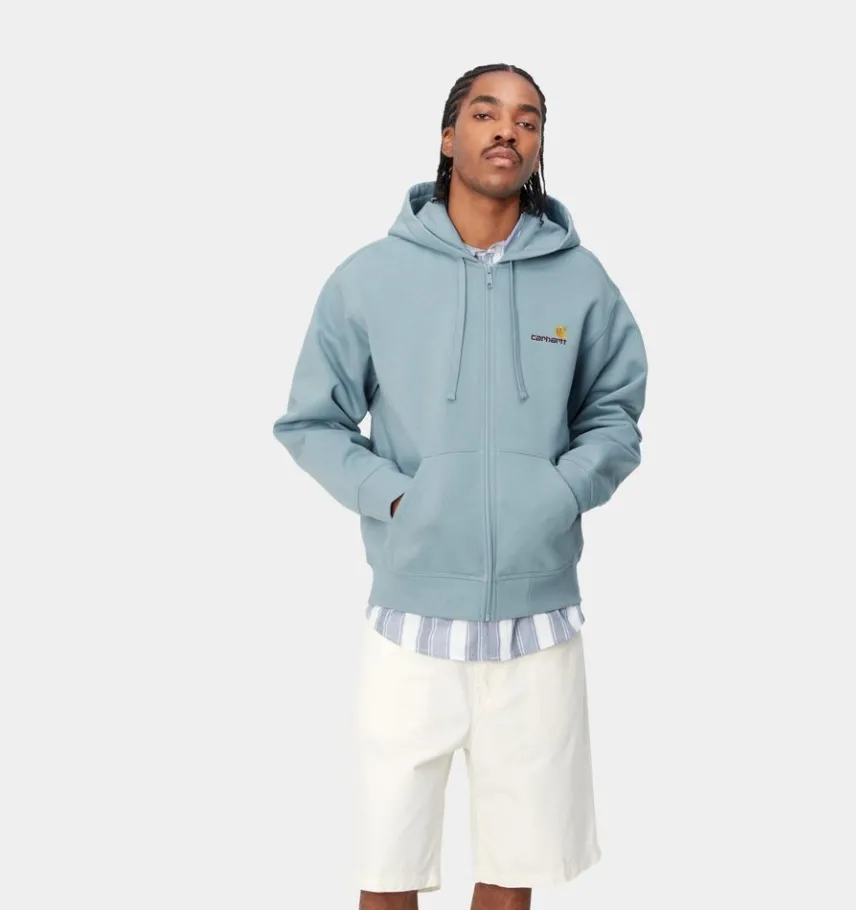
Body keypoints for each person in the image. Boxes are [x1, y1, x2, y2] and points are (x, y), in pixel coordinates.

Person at [273, 62, 648, 910]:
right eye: (486, 113)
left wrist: (561, 492)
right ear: (449, 137)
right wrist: (395, 497)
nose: (508, 129)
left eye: (529, 118)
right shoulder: (370, 276)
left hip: (538, 625)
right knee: (388, 870)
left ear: (539, 146)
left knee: (515, 870)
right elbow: (311, 422)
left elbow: (616, 414)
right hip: (409, 624)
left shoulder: (581, 280)